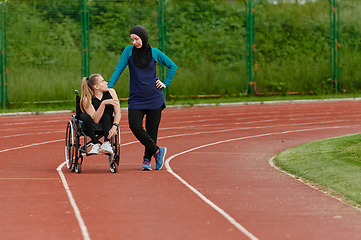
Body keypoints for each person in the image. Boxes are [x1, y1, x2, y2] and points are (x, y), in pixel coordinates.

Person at [108, 25, 177, 171]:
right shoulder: (128, 51)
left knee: (152, 131)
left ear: (143, 38)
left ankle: (147, 160)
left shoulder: (154, 53)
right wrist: (109, 87)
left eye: (137, 39)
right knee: (135, 126)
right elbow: (118, 69)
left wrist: (165, 83)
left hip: (154, 98)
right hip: (136, 98)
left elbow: (172, 66)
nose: (134, 42)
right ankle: (158, 151)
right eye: (132, 39)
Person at [80, 73, 121, 155]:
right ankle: (96, 143)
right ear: (96, 87)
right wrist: (103, 103)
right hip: (92, 125)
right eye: (102, 81)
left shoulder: (112, 92)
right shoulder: (86, 99)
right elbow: (96, 119)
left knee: (106, 115)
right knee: (103, 115)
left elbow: (118, 112)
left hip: (108, 123)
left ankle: (106, 143)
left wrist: (114, 126)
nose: (106, 83)